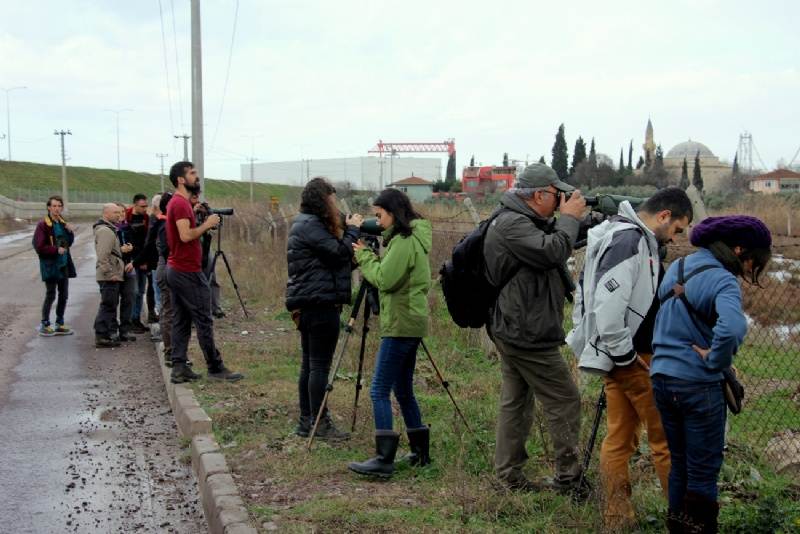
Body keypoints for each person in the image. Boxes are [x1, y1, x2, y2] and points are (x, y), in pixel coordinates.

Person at [567, 187, 693, 529]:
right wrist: (625, 355)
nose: (677, 237)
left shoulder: (624, 235)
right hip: (636, 358)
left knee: (619, 439)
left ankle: (617, 516)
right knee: (667, 441)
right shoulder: (631, 241)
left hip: (623, 356)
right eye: (678, 228)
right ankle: (684, 521)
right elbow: (609, 305)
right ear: (664, 216)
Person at [651, 215, 771, 533]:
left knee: (680, 466)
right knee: (703, 472)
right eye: (752, 263)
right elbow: (732, 328)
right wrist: (715, 359)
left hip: (662, 378)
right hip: (697, 385)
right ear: (739, 249)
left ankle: (679, 529)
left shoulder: (677, 268)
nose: (749, 271)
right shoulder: (722, 279)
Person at [483, 162, 587, 495]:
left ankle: (508, 476)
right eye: (557, 195)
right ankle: (570, 480)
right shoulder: (512, 224)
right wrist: (570, 218)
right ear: (539, 195)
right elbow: (552, 250)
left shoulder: (524, 220)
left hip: (517, 325)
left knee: (516, 400)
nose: (560, 201)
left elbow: (557, 238)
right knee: (565, 399)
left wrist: (581, 222)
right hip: (526, 330)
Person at [347, 188, 432, 478]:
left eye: (379, 215)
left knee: (378, 389)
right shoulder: (411, 237)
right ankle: (420, 453)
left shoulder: (404, 242)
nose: (377, 221)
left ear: (393, 212)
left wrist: (365, 258)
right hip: (410, 320)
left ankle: (384, 459)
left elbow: (385, 279)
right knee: (403, 389)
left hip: (401, 323)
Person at [285, 177, 362, 440]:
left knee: (309, 365)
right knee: (318, 367)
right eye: (332, 199)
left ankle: (307, 421)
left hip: (309, 302)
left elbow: (330, 264)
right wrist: (353, 230)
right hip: (319, 304)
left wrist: (358, 259)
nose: (335, 205)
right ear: (323, 199)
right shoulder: (312, 226)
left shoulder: (303, 224)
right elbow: (338, 253)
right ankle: (320, 424)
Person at [165, 161, 243, 383]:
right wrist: (208, 223)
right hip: (186, 270)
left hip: (177, 269)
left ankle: (179, 367)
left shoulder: (180, 204)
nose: (196, 177)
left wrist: (196, 213)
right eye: (192, 174)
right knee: (204, 319)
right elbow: (186, 236)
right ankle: (215, 366)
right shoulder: (179, 203)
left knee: (181, 320)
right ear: (181, 179)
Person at [32, 195, 76, 336]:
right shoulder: (43, 225)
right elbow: (38, 246)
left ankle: (60, 323)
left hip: (63, 264)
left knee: (64, 295)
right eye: (54, 206)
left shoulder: (63, 223)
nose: (57, 208)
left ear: (62, 207)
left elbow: (68, 243)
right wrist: (55, 250)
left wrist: (70, 232)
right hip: (50, 265)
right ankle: (45, 323)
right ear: (49, 207)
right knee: (51, 294)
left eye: (59, 206)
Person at [93, 204, 132, 347]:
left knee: (109, 304)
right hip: (109, 276)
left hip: (111, 274)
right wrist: (110, 273)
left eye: (118, 212)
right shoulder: (105, 231)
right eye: (115, 212)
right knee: (108, 305)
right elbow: (103, 255)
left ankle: (104, 334)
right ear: (106, 214)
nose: (118, 215)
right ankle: (101, 335)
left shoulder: (109, 230)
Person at [127, 193, 156, 328]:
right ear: (135, 205)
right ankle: (129, 319)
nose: (145, 208)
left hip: (142, 260)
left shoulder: (147, 219)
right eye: (142, 206)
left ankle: (136, 319)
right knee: (133, 291)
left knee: (140, 291)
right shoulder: (127, 217)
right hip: (129, 259)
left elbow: (148, 242)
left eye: (146, 206)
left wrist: (144, 261)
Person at [115, 202, 141, 338]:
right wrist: (121, 250)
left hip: (129, 266)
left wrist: (132, 260)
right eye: (117, 212)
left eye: (123, 212)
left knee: (130, 297)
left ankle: (125, 329)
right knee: (113, 300)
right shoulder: (110, 229)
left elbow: (137, 246)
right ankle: (112, 329)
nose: (120, 215)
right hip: (114, 269)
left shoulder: (129, 228)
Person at [155, 192, 174, 365]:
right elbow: (169, 249)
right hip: (168, 269)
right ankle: (170, 352)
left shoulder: (162, 223)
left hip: (165, 269)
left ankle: (172, 350)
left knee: (168, 310)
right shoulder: (165, 225)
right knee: (169, 312)